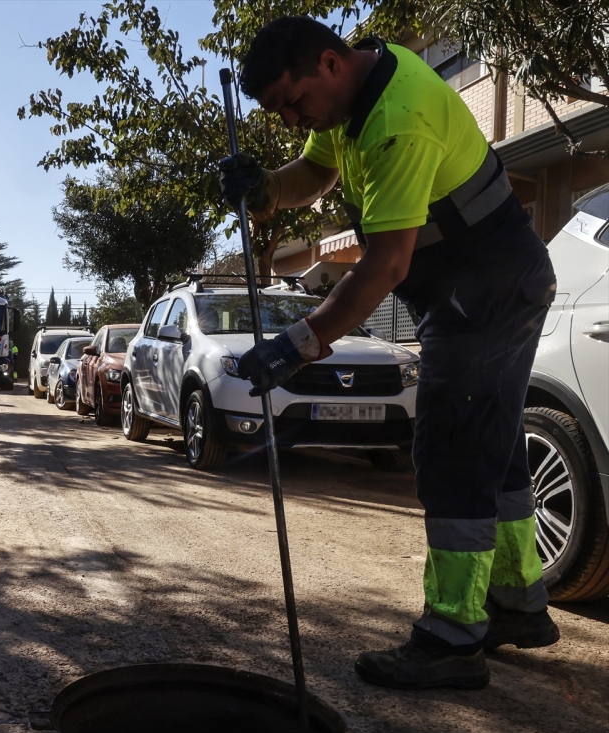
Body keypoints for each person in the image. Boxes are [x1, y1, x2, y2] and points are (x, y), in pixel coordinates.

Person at [220, 17, 558, 690]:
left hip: (486, 289)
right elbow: (313, 173)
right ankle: (516, 603)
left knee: (453, 447)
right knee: (493, 444)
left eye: (293, 101)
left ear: (329, 64)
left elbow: (384, 267)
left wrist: (299, 344)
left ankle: (453, 637)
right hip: (492, 284)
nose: (291, 120)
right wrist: (264, 192)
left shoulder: (395, 121)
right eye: (278, 111)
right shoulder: (352, 95)